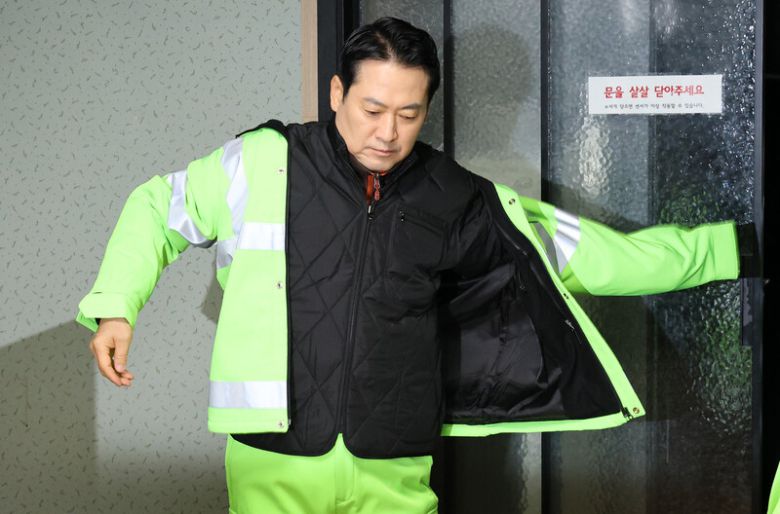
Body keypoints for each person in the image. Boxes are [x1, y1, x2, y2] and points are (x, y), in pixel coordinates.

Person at [76, 17, 741, 514]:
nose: (387, 133)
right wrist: (115, 306)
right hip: (271, 459)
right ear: (337, 92)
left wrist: (728, 251)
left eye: (408, 114)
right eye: (371, 109)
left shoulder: (454, 196)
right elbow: (158, 208)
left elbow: (584, 253)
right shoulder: (262, 162)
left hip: (393, 461)